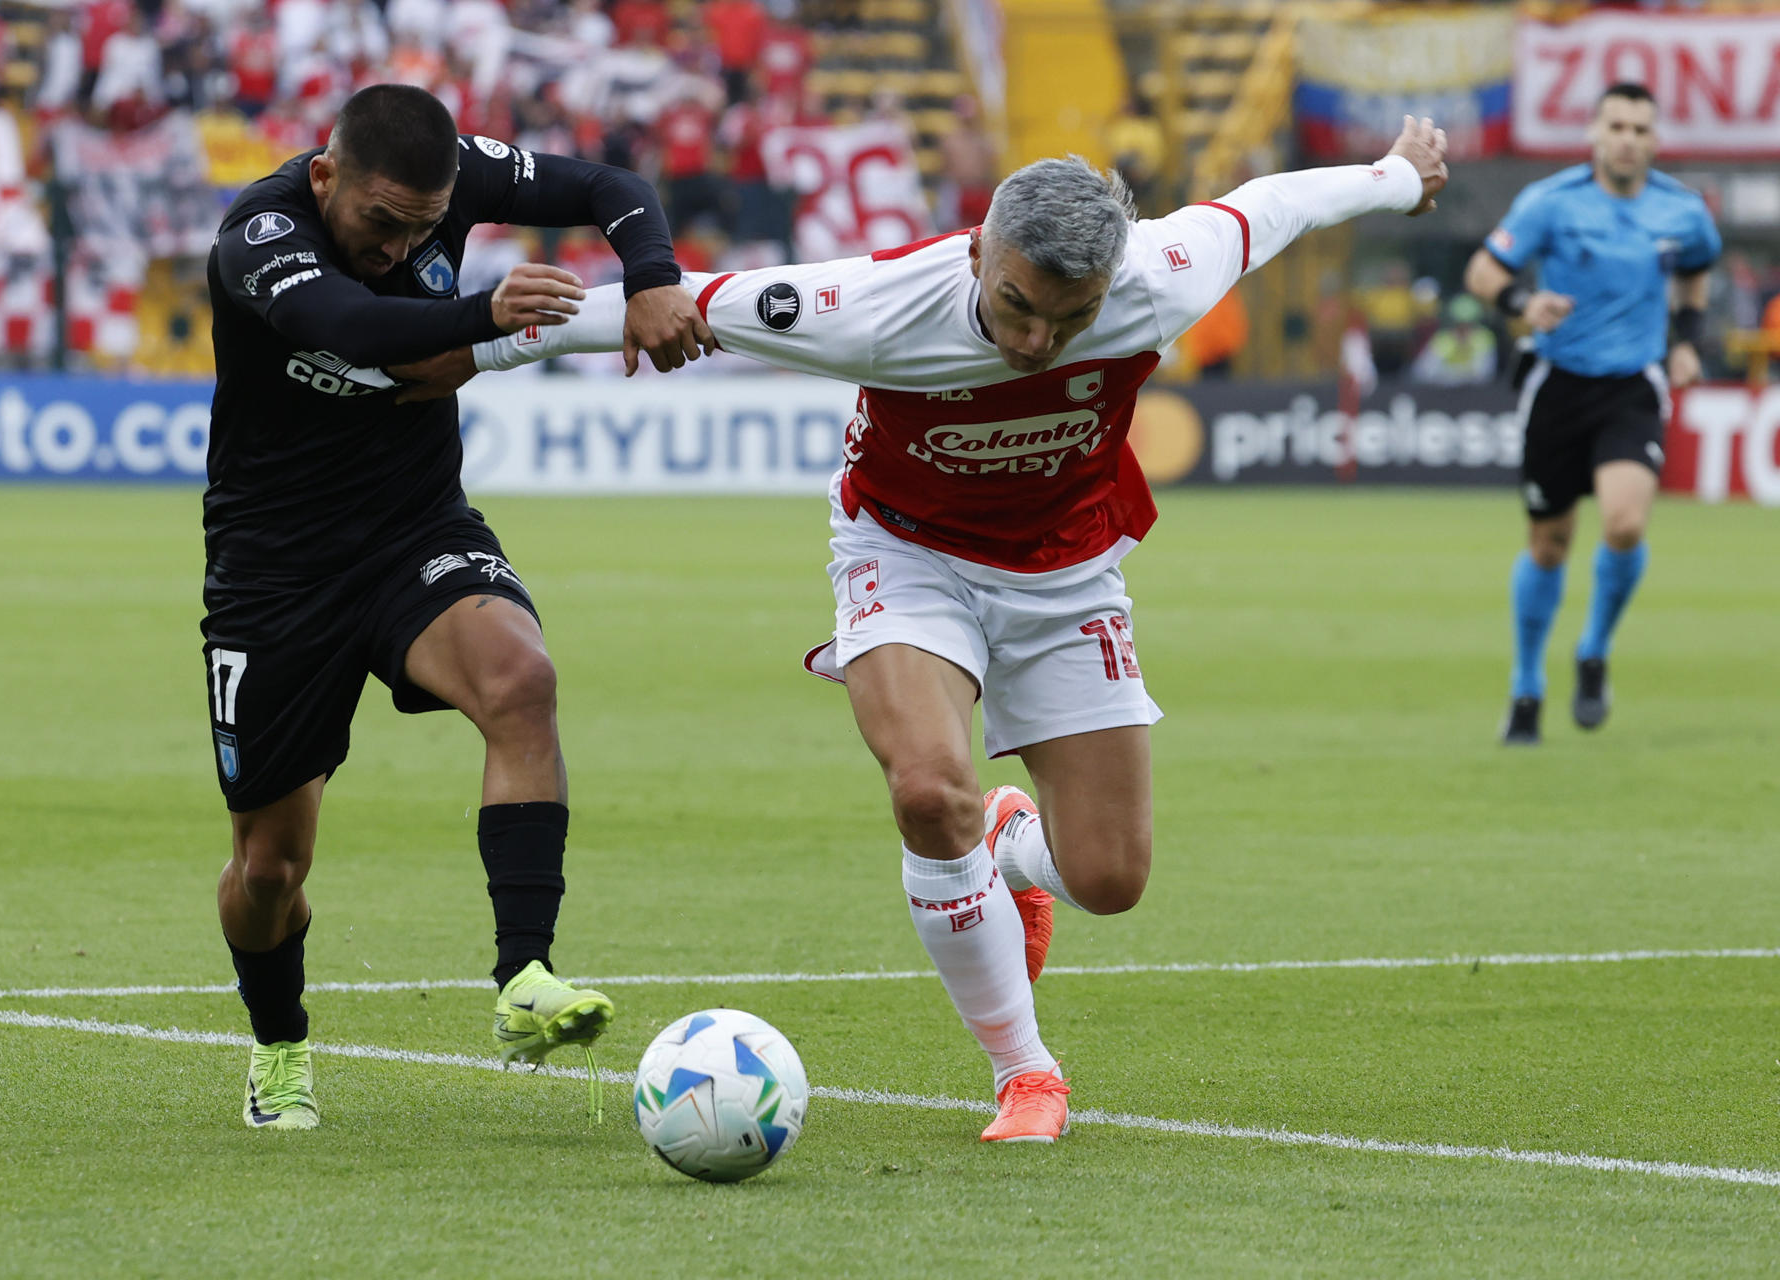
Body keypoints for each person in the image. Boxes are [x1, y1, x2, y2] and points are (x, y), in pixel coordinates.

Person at [449, 117, 1449, 1143]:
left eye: (1070, 320)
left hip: (1068, 570)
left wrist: (1391, 175)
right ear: (978, 249)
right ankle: (1027, 1071)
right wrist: (457, 343)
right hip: (906, 555)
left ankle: (1011, 842)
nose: (1033, 341)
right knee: (929, 790)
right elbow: (654, 303)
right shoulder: (874, 305)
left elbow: (1271, 207)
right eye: (1015, 305)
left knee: (1110, 877)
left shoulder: (1163, 277)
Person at [202, 83, 710, 1130]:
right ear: (327, 174)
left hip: (413, 529)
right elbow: (345, 321)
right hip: (275, 569)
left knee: (522, 678)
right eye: (379, 224)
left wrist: (651, 278)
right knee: (269, 868)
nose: (397, 247)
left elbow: (613, 185)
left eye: (423, 229)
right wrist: (490, 316)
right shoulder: (258, 235)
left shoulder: (443, 177)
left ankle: (526, 976)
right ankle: (280, 1045)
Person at [1463, 82, 1719, 745]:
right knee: (1549, 543)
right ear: (1595, 135)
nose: (1628, 138)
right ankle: (1526, 686)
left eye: (1640, 128)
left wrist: (1686, 339)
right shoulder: (1551, 202)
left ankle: (1595, 649)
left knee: (1626, 524)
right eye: (1617, 126)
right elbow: (1483, 273)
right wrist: (1523, 302)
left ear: (1654, 141)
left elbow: (1697, 271)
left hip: (1632, 386)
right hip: (1558, 386)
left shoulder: (1683, 212)